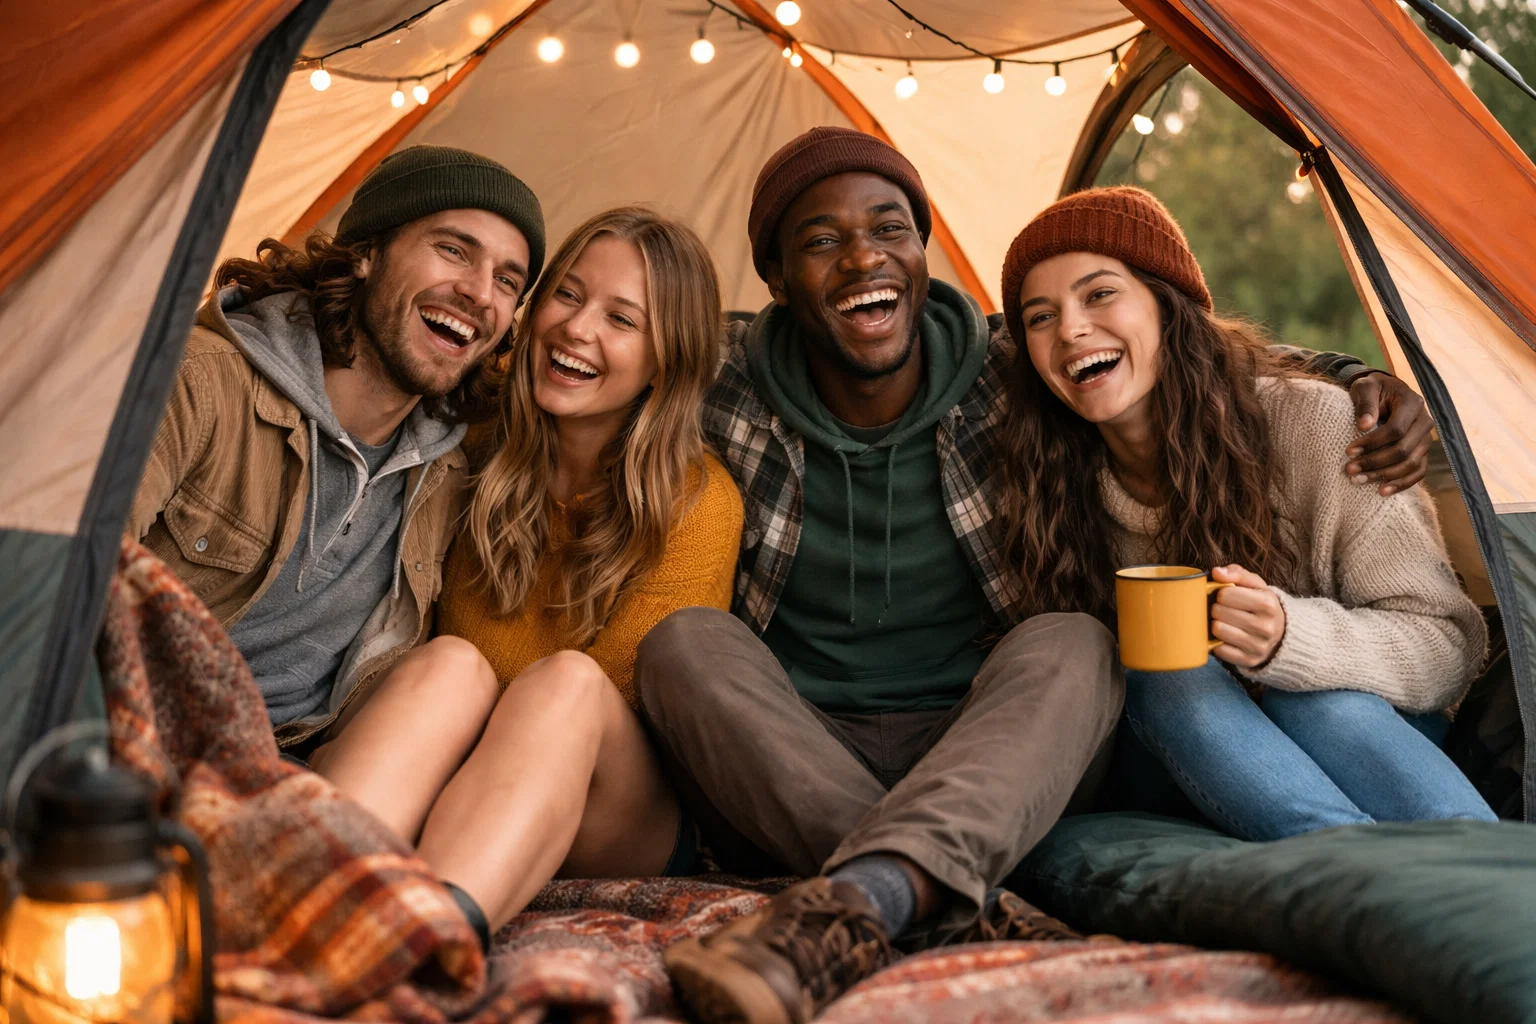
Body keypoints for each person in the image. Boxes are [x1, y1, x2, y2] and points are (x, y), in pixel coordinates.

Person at [634, 128, 1438, 1024]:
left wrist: (1361, 378)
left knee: (1076, 639)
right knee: (682, 642)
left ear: (922, 251)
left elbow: (1180, 344)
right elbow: (590, 357)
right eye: (821, 241)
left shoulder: (1005, 367)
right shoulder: (722, 379)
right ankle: (929, 894)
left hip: (997, 748)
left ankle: (871, 898)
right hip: (790, 753)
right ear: (777, 278)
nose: (862, 258)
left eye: (889, 228)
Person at [995, 185, 1495, 844]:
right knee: (1162, 671)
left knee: (1319, 703)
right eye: (1039, 317)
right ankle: (1371, 873)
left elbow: (1450, 645)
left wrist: (1292, 639)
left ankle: (1481, 874)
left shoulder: (1316, 427)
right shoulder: (1045, 482)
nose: (1070, 330)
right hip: (1181, 745)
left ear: (1168, 304)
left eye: (1100, 294)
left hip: (1364, 733)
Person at [307, 207, 742, 946]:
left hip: (614, 805)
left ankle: (428, 940)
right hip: (466, 767)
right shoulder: (476, 441)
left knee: (567, 683)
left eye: (621, 319)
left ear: (665, 361)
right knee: (448, 661)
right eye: (566, 295)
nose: (575, 329)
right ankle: (299, 892)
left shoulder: (697, 502)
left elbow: (635, 715)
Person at [132, 144, 542, 754]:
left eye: (507, 281)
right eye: (454, 250)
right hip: (121, 739)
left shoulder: (450, 476)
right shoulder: (197, 383)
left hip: (293, 765)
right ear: (366, 254)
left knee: (459, 675)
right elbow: (62, 582)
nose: (481, 294)